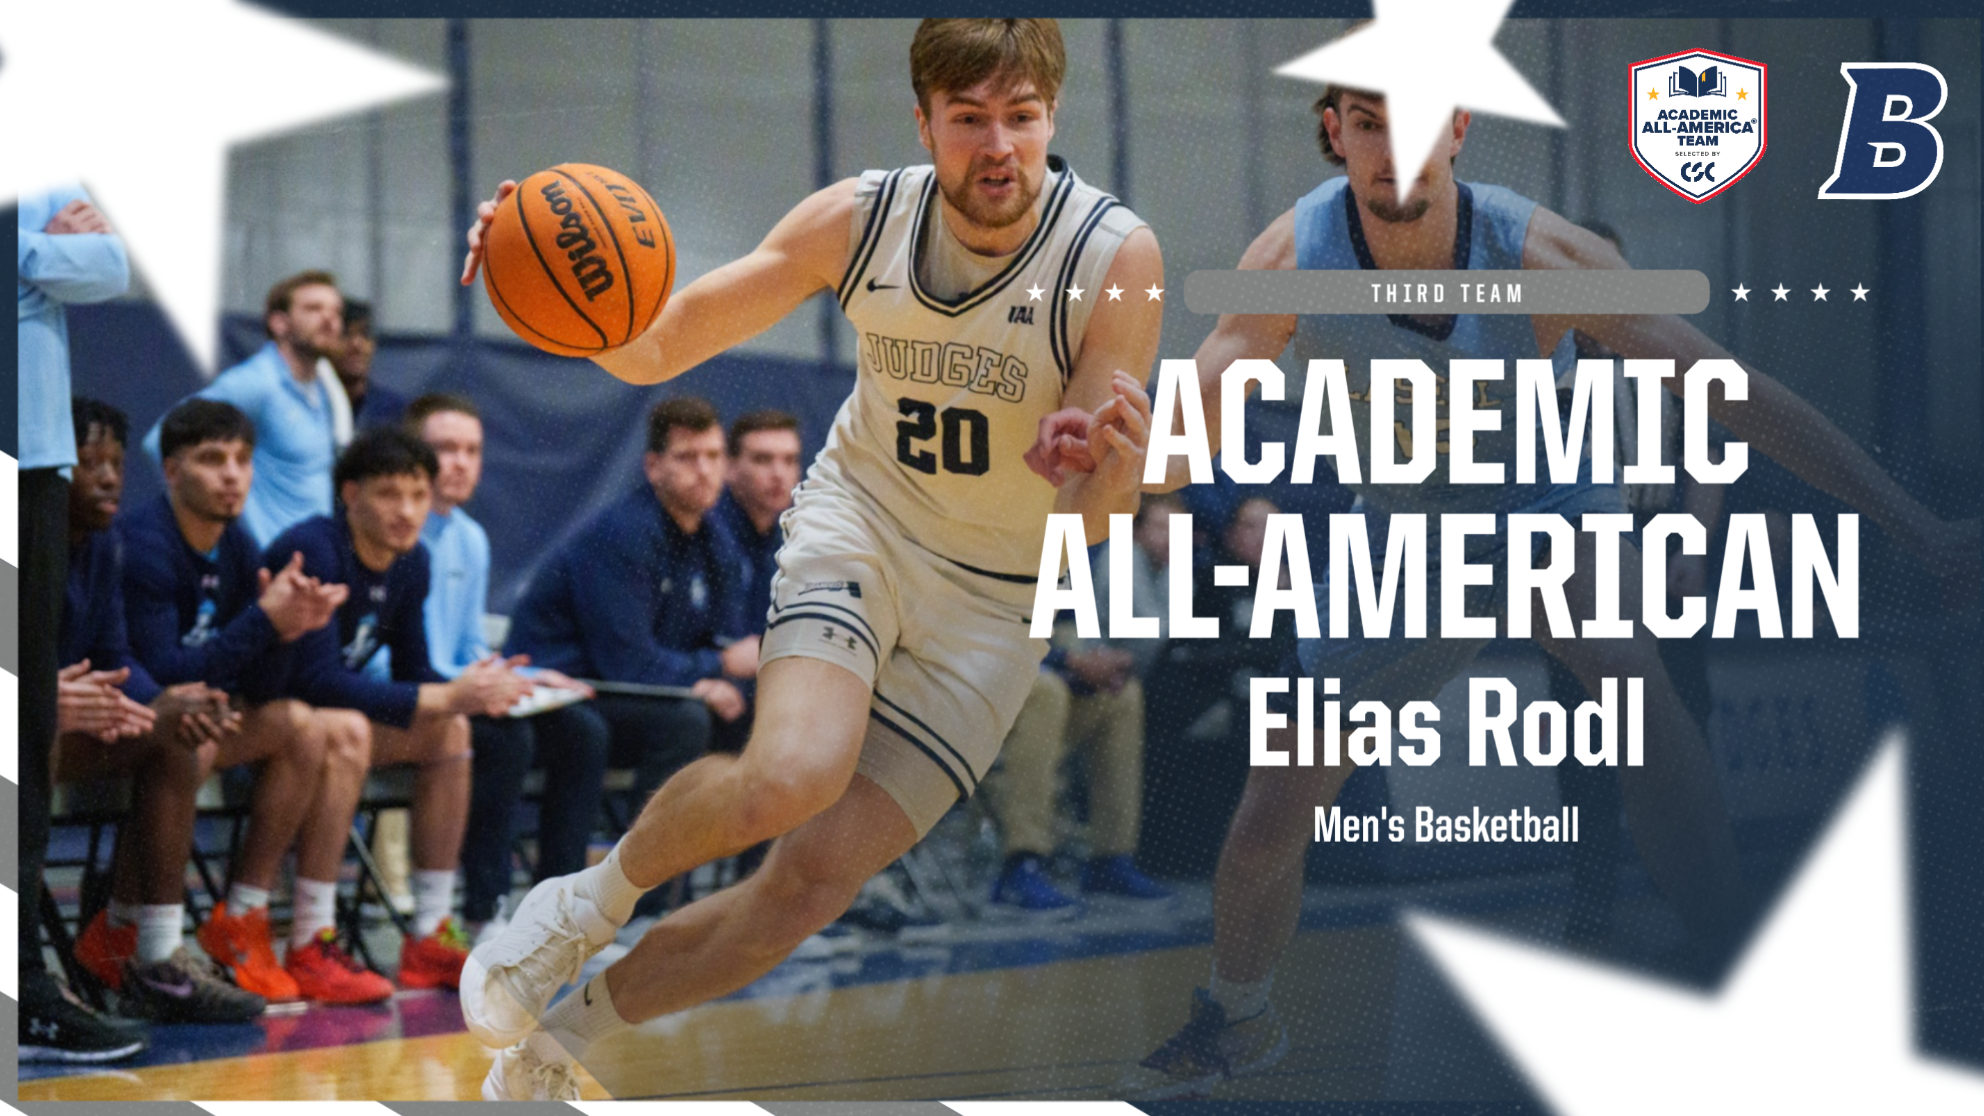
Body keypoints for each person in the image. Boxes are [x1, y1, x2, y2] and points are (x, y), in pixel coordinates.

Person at [1110, 80, 1980, 1098]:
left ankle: (1732, 970)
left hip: (1542, 506)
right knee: (1273, 807)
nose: (1396, 148)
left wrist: (1915, 525)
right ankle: (1237, 1016)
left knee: (1634, 689)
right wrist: (1113, 457)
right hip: (1401, 534)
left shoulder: (1542, 258)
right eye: (1370, 122)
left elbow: (1736, 394)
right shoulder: (1289, 262)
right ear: (1335, 132)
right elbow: (1186, 441)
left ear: (1460, 128)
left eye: (1419, 120)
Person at [458, 19, 1160, 1099]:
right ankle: (578, 905)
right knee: (791, 773)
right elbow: (661, 341)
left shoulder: (1115, 258)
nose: (997, 146)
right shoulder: (857, 219)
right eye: (968, 119)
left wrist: (1108, 468)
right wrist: (539, 270)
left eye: (1021, 118)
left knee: (806, 890)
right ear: (923, 122)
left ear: (1052, 116)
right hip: (864, 523)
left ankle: (555, 1047)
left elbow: (1092, 520)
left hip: (998, 600)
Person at [264, 427, 534, 1001]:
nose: (408, 511)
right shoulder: (314, 550)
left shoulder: (412, 562)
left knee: (450, 729)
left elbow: (415, 671)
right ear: (351, 495)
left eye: (417, 495)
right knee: (352, 731)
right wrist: (445, 695)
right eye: (389, 494)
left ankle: (431, 932)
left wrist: (479, 689)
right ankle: (310, 939)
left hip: (327, 725)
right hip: (268, 721)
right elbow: (313, 680)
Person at [111, 398, 356, 1002]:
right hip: (130, 722)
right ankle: (129, 930)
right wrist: (262, 623)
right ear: (172, 470)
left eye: (243, 459)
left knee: (302, 724)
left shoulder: (239, 544)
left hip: (194, 720)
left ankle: (241, 918)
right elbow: (164, 677)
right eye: (212, 459)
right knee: (188, 737)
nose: (232, 474)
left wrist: (288, 632)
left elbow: (263, 688)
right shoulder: (143, 543)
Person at [49, 399, 268, 1025]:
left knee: (177, 733)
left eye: (116, 464)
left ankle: (157, 958)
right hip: (29, 730)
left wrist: (163, 704)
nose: (108, 478)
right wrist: (43, 698)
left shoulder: (104, 546)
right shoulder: (32, 543)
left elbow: (119, 657)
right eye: (88, 463)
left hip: (63, 729)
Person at [17, 186, 151, 1062]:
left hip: (32, 462)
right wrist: (34, 250)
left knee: (25, 734)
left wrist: (22, 249)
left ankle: (23, 985)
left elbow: (109, 265)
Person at [402, 392, 610, 939]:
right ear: (413, 454)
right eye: (446, 449)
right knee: (505, 740)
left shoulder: (470, 537)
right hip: (419, 696)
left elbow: (470, 643)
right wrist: (475, 686)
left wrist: (525, 679)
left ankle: (555, 912)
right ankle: (484, 910)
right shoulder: (398, 530)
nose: (461, 463)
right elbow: (406, 656)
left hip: (461, 689)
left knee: (582, 733)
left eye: (472, 450)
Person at [506, 397, 757, 798]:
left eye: (713, 456)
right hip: (564, 690)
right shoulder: (623, 536)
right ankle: (649, 840)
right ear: (653, 467)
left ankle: (733, 842)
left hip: (630, 690)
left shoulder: (716, 541)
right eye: (687, 457)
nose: (704, 470)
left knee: (752, 712)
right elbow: (627, 663)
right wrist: (714, 670)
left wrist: (713, 677)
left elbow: (720, 639)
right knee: (686, 720)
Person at [143, 271, 345, 546]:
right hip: (266, 559)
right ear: (279, 323)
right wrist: (216, 531)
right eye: (313, 308)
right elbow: (158, 442)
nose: (329, 319)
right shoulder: (257, 383)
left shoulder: (324, 387)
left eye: (336, 311)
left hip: (311, 559)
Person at [711, 409, 805, 634]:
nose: (779, 474)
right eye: (763, 459)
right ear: (729, 468)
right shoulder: (704, 533)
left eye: (789, 460)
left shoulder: (795, 539)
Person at [334, 300, 408, 432]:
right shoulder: (313, 404)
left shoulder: (394, 410)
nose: (356, 344)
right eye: (345, 334)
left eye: (365, 334)